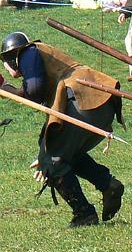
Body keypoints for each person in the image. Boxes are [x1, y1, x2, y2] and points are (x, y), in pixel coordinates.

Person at [0, 32, 125, 227]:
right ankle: (107, 184)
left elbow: (34, 90)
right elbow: (33, 90)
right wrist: (8, 89)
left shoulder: (27, 53)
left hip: (82, 102)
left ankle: (84, 213)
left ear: (11, 58)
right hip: (99, 102)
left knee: (51, 160)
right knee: (65, 154)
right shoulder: (39, 54)